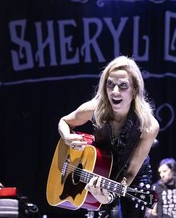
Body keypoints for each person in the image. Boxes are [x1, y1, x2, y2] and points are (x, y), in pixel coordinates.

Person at [58, 55, 160, 217]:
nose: (115, 91)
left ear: (134, 90)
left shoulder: (148, 126)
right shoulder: (94, 108)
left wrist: (109, 196)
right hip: (99, 169)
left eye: (123, 86)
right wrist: (66, 137)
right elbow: (64, 121)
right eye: (110, 84)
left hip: (133, 178)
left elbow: (130, 173)